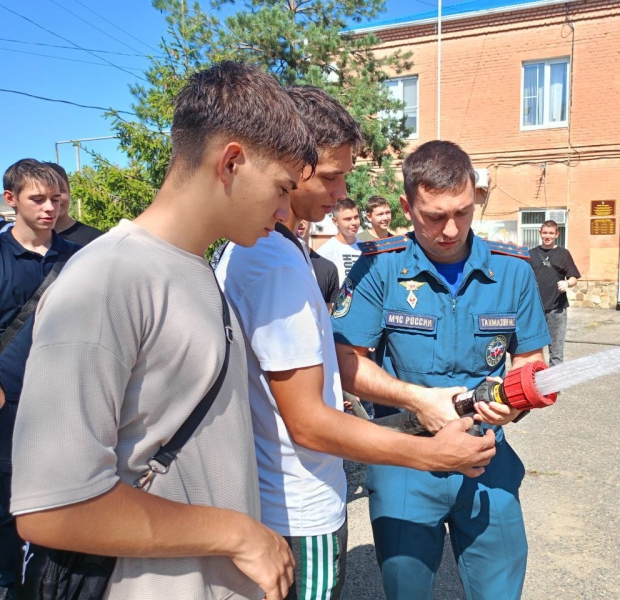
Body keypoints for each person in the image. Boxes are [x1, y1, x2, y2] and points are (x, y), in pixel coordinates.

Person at [11, 61, 319, 600]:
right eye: (280, 187)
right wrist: (240, 534)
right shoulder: (110, 277)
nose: (286, 208)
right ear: (231, 163)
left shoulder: (195, 268)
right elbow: (53, 508)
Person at [215, 87, 495, 600]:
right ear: (285, 160)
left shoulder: (271, 248)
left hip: (281, 499)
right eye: (329, 175)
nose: (343, 192)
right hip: (299, 507)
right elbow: (309, 423)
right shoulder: (273, 262)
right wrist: (432, 455)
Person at [332, 140, 552, 600]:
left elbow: (532, 361)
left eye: (463, 212)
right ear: (407, 207)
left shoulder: (513, 270)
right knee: (407, 589)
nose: (451, 230)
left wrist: (511, 405)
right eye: (434, 216)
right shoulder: (380, 268)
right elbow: (345, 361)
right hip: (405, 459)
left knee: (499, 589)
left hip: (487, 455)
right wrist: (416, 400)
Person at [0, 159, 80, 599]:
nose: (50, 207)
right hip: (7, 411)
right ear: (11, 200)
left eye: (57, 198)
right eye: (38, 199)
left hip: (61, 409)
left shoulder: (81, 259)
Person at [528, 220, 580, 366]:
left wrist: (567, 283)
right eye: (545, 233)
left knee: (556, 351)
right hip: (535, 309)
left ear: (557, 234)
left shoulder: (563, 254)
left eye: (551, 233)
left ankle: (554, 387)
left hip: (557, 309)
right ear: (540, 233)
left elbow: (574, 277)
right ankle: (535, 383)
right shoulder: (531, 254)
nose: (547, 236)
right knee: (533, 350)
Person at [45, 162, 103, 246]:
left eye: (61, 191)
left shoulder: (95, 240)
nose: (55, 198)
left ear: (69, 193)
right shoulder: (30, 243)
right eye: (44, 194)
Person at [316, 197, 361, 285]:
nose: (354, 223)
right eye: (347, 219)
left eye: (356, 217)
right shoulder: (325, 252)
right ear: (335, 221)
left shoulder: (365, 247)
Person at [296, 219, 339, 311]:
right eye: (295, 215)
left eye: (304, 216)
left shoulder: (328, 268)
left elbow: (328, 313)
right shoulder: (273, 265)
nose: (300, 222)